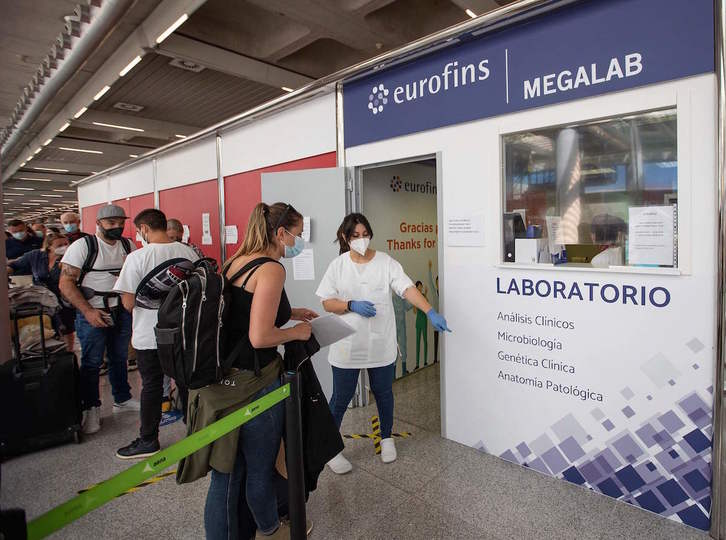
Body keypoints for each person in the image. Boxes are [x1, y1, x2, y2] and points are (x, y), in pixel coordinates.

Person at [205, 202, 316, 540]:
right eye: (297, 235)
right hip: (256, 383)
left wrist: (292, 310)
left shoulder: (235, 262)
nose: (298, 242)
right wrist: (296, 332)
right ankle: (269, 529)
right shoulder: (271, 269)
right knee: (259, 468)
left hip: (224, 382)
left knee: (227, 472)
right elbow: (259, 335)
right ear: (280, 233)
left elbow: (243, 311)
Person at [316, 213, 451, 473]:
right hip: (347, 345)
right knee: (341, 398)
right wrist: (349, 305)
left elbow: (406, 288)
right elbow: (326, 301)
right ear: (345, 237)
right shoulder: (338, 266)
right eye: (355, 235)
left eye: (365, 234)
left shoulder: (385, 262)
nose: (361, 239)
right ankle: (330, 450)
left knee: (384, 393)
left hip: (380, 344)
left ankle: (386, 437)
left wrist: (429, 311)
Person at [113, 209, 199, 459]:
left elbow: (128, 304)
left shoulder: (136, 258)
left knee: (151, 386)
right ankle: (195, 434)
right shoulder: (188, 252)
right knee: (186, 383)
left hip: (150, 335)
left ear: (144, 229)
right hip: (184, 332)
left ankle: (148, 440)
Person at [59, 204, 139, 435]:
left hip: (120, 311)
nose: (117, 227)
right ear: (99, 224)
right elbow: (65, 283)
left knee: (119, 357)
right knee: (93, 362)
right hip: (93, 311)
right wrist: (88, 312)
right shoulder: (83, 247)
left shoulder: (128, 245)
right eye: (111, 223)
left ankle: (122, 399)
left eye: (120, 223)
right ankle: (91, 407)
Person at [7, 232, 76, 351]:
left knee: (67, 328)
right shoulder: (35, 256)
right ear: (49, 246)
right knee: (46, 327)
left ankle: (69, 352)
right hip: (42, 299)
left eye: (66, 244)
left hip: (63, 298)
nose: (64, 247)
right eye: (59, 245)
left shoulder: (69, 257)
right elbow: (15, 265)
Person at [428, 260, 440, 363]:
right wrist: (429, 269)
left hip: (443, 321)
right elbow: (430, 281)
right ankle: (435, 359)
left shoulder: (445, 291)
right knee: (436, 340)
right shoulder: (434, 292)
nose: (438, 284)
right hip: (436, 322)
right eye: (437, 282)